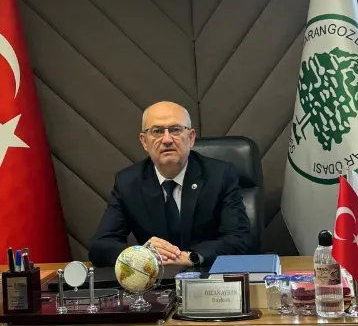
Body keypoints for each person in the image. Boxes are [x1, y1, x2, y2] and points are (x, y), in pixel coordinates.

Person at [89, 101, 253, 267]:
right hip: (156, 278)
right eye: (157, 131)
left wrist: (191, 257)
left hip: (206, 276)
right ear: (144, 141)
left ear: (191, 138)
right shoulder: (128, 183)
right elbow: (100, 246)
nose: (167, 140)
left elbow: (239, 239)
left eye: (175, 130)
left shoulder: (220, 175)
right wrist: (142, 255)